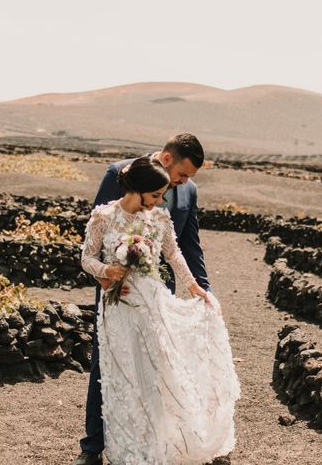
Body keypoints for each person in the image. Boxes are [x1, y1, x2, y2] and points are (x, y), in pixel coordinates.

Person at [71, 134, 236, 465]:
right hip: (115, 296)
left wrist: (200, 288)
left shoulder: (184, 195)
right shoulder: (118, 177)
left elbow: (184, 247)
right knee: (107, 368)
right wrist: (106, 274)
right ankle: (93, 448)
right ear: (166, 159)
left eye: (188, 179)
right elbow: (94, 246)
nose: (182, 184)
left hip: (152, 295)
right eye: (182, 175)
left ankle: (159, 443)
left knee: (158, 368)